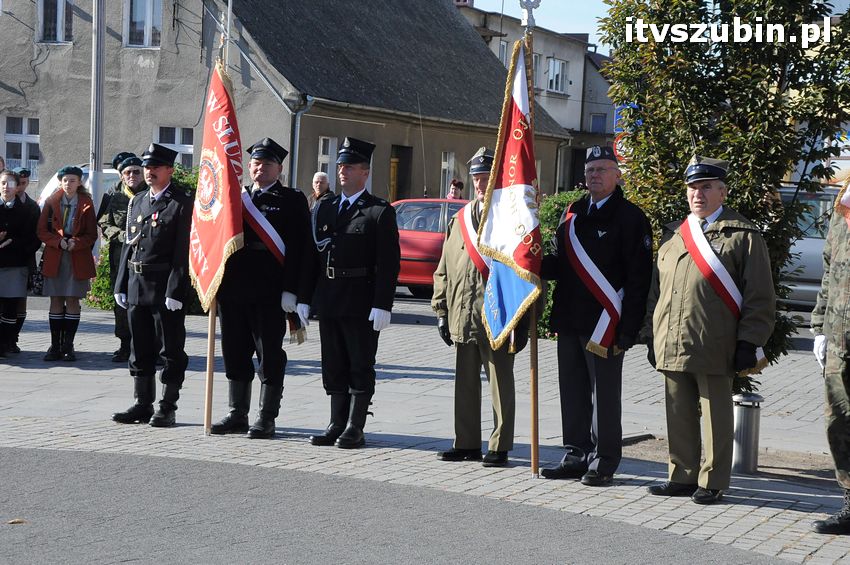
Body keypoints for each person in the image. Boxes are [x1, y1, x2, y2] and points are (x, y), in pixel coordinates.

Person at [643, 156, 775, 505]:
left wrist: (750, 341)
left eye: (705, 187)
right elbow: (656, 290)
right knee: (677, 410)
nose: (697, 194)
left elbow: (759, 295)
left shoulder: (743, 234)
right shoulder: (674, 234)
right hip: (672, 338)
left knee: (715, 413)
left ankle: (713, 480)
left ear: (722, 192)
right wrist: (651, 333)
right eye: (692, 188)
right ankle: (682, 475)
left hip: (716, 341)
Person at [539, 146, 653, 486]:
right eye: (590, 170)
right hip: (571, 317)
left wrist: (630, 328)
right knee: (572, 389)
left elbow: (638, 280)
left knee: (604, 394)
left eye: (602, 169)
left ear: (617, 175)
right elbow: (561, 264)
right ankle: (576, 452)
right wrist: (532, 260)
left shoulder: (632, 218)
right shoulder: (572, 214)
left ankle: (604, 459)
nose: (595, 175)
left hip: (607, 323)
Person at [211, 138, 315, 439]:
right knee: (234, 352)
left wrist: (292, 291)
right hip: (234, 289)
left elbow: (301, 249)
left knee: (268, 354)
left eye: (267, 164)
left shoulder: (292, 200)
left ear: (279, 169)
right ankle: (237, 413)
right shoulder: (237, 197)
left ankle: (266, 417)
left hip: (270, 292)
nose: (259, 168)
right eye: (256, 163)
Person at [432, 147, 527, 468]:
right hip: (462, 313)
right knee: (465, 383)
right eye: (476, 177)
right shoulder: (459, 219)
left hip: (499, 316)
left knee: (501, 383)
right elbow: (444, 267)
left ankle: (499, 445)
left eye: (486, 176)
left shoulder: (512, 218)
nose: (481, 183)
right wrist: (441, 310)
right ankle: (467, 442)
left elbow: (524, 271)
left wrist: (523, 320)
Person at [309, 137, 400, 449]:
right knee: (333, 362)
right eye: (340, 166)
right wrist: (307, 298)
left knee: (360, 362)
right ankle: (336, 422)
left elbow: (389, 263)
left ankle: (355, 425)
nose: (343, 171)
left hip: (361, 298)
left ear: (365, 172)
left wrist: (383, 304)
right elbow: (314, 257)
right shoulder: (325, 207)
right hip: (330, 295)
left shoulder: (378, 212)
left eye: (350, 166)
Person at [112, 143, 192, 428]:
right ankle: (142, 403)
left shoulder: (181, 202)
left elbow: (183, 252)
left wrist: (176, 289)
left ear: (169, 170)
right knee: (139, 346)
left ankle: (167, 406)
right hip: (137, 283)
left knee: (170, 349)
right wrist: (121, 282)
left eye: (155, 167)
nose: (149, 172)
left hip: (163, 285)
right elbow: (128, 246)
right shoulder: (139, 201)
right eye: (147, 167)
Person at [811, 167, 850, 534]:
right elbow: (829, 270)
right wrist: (820, 327)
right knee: (839, 421)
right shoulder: (843, 205)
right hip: (839, 338)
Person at [37, 166, 98, 362]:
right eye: (64, 180)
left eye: (72, 180)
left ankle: (68, 345)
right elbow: (41, 231)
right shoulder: (51, 201)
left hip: (77, 256)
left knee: (72, 300)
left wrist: (76, 243)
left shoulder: (86, 203)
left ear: (79, 182)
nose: (68, 184)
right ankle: (55, 345)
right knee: (56, 299)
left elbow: (91, 234)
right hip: (56, 255)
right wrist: (58, 241)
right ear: (60, 182)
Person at [98, 152, 147, 362]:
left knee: (146, 301)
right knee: (122, 301)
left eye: (137, 171)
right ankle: (125, 344)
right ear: (121, 176)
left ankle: (149, 345)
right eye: (127, 172)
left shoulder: (150, 194)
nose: (132, 176)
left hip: (145, 256)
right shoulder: (114, 195)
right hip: (120, 257)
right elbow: (104, 223)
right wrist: (121, 235)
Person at [0, 170, 40, 357]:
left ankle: (7, 343)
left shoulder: (27, 210)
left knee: (10, 306)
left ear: (17, 187)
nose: (5, 187)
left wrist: (12, 243)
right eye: (2, 183)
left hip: (15, 264)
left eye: (9, 183)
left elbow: (33, 239)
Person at [10, 167, 41, 353]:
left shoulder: (31, 206)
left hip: (24, 258)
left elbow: (37, 235)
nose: (20, 187)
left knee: (21, 299)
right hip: (5, 258)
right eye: (18, 183)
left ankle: (14, 338)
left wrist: (26, 250)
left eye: (23, 183)